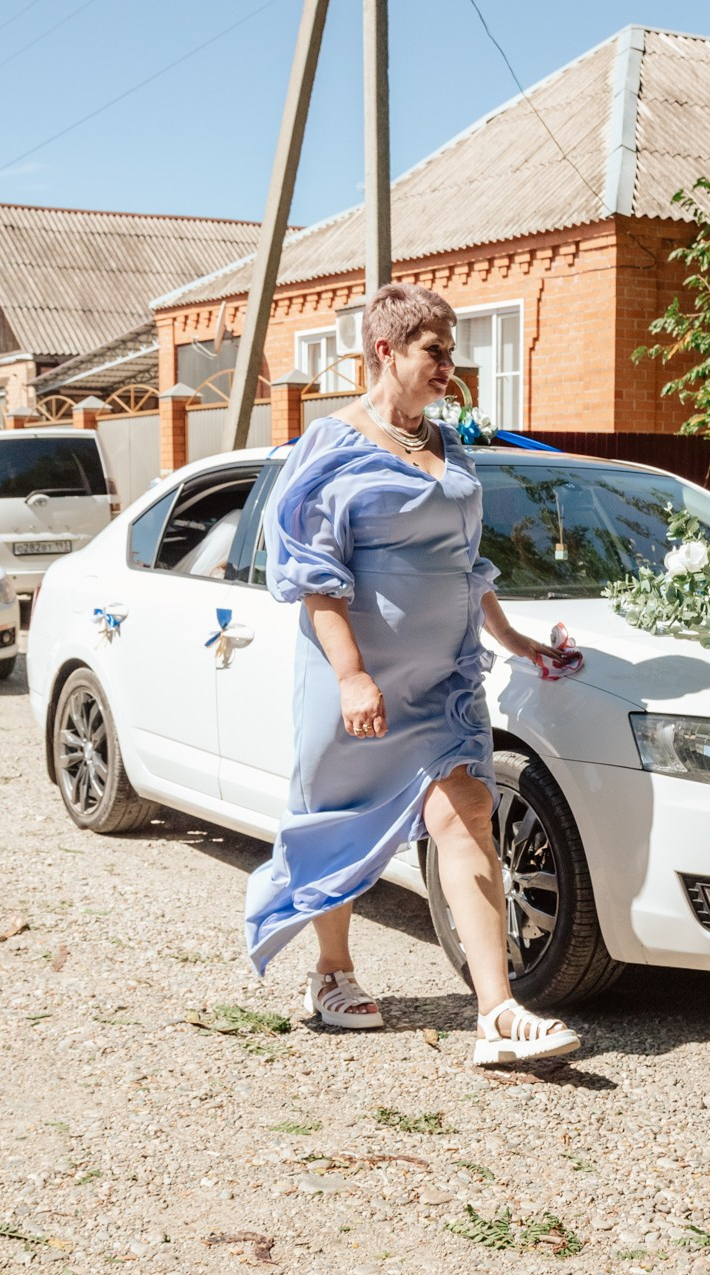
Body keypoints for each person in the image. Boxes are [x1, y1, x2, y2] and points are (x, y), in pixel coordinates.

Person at [245, 282, 582, 1068]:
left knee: (468, 811)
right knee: (337, 818)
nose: (447, 365)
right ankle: (332, 971)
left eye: (451, 351)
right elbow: (316, 579)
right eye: (434, 350)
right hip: (358, 679)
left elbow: (464, 563)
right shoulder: (331, 447)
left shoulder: (449, 445)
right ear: (385, 350)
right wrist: (352, 675)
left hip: (443, 680)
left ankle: (497, 1012)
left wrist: (511, 636)